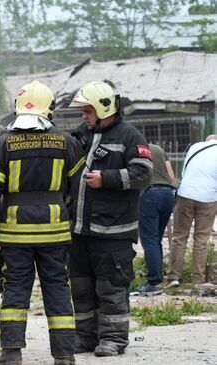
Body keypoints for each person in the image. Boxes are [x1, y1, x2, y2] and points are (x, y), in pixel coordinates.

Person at [0, 80, 85, 365]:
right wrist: (69, 217)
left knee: (16, 290)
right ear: (50, 109)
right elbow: (78, 187)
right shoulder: (66, 142)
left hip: (15, 235)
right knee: (58, 289)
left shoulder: (3, 144)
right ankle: (64, 355)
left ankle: (11, 352)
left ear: (18, 109)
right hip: (55, 231)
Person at [68, 81, 152, 357]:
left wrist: (107, 178)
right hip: (80, 230)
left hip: (113, 232)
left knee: (110, 287)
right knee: (81, 288)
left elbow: (143, 175)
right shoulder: (83, 135)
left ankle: (114, 339)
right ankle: (84, 338)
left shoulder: (130, 136)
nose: (84, 116)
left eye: (88, 111)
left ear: (105, 109)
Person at [166, 135, 217, 287]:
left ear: (206, 141)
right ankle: (198, 280)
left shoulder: (194, 147)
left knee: (179, 237)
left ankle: (174, 277)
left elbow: (184, 173)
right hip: (208, 197)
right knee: (201, 239)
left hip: (186, 194)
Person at [137, 144, 176, 296]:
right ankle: (158, 277)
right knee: (157, 239)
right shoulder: (159, 149)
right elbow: (172, 176)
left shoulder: (136, 148)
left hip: (149, 194)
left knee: (149, 240)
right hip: (167, 193)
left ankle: (153, 282)